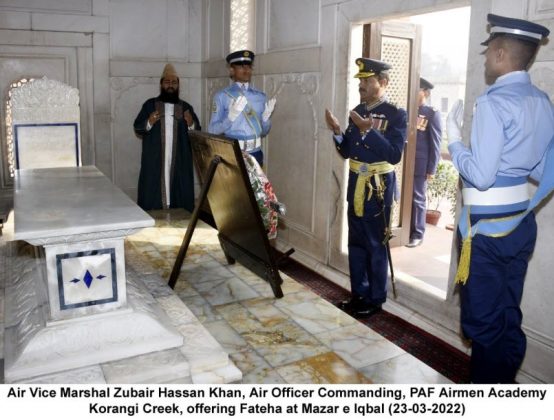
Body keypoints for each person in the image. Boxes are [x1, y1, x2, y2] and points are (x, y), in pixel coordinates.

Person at [447, 14, 554, 383]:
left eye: (489, 51)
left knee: (485, 325)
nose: (486, 58)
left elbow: (481, 174)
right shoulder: (542, 101)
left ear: (500, 52)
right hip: (521, 225)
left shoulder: (492, 103)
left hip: (487, 233)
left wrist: (454, 143)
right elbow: (541, 172)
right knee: (508, 314)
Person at [325, 58, 407, 318]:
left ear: (382, 83)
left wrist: (368, 131)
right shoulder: (358, 108)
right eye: (360, 80)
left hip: (378, 187)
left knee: (375, 243)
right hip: (356, 184)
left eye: (366, 80)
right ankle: (358, 293)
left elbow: (394, 155)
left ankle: (375, 298)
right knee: (357, 242)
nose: (361, 84)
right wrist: (339, 131)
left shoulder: (396, 114)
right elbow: (348, 150)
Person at [133, 63, 201, 212]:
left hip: (179, 160)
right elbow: (138, 127)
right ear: (161, 84)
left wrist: (191, 124)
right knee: (153, 192)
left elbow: (198, 134)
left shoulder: (186, 107)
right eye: (167, 82)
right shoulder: (150, 105)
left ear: (178, 85)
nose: (171, 85)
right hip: (156, 160)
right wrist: (149, 122)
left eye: (174, 82)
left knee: (179, 191)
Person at [208, 50, 276, 166]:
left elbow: (264, 132)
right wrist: (229, 118)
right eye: (241, 66)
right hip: (232, 153)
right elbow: (212, 130)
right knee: (234, 185)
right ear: (231, 70)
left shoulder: (260, 96)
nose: (246, 69)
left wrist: (265, 120)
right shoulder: (222, 96)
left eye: (249, 66)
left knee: (254, 185)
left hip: (256, 153)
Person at [407, 78, 442, 248]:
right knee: (405, 197)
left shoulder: (432, 113)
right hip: (405, 162)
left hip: (420, 165)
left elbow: (435, 143)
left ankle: (417, 233)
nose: (414, 92)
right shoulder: (407, 110)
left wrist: (432, 168)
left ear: (426, 92)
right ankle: (406, 230)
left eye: (418, 89)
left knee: (417, 199)